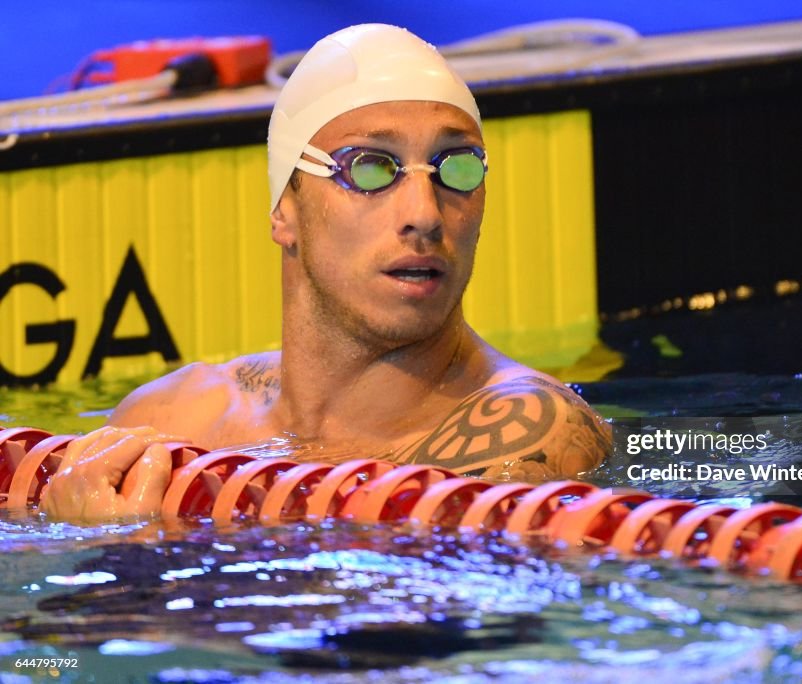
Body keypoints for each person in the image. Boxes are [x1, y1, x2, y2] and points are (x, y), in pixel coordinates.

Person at [39, 24, 611, 522]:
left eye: (455, 169)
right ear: (284, 209)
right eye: (369, 169)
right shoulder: (169, 415)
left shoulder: (528, 429)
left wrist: (134, 554)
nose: (424, 215)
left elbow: (393, 634)